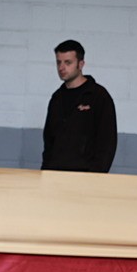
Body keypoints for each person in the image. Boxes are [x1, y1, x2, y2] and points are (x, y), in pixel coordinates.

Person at [42, 39, 117, 173]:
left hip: (86, 176)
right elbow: (49, 141)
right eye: (58, 62)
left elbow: (107, 142)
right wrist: (46, 171)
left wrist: (96, 175)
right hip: (55, 176)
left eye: (68, 62)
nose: (61, 68)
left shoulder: (98, 97)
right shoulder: (56, 98)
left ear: (81, 64)